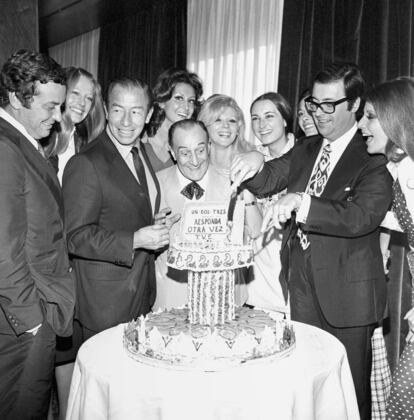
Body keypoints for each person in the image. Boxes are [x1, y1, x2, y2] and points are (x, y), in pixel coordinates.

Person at [230, 62, 393, 419]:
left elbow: (362, 217)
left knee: (348, 393)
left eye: (329, 105)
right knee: (308, 389)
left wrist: (304, 204)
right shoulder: (306, 148)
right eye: (314, 104)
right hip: (300, 286)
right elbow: (270, 178)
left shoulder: (374, 154)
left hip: (347, 296)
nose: (319, 114)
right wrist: (256, 161)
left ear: (354, 104)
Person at [62, 77, 178, 357]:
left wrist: (155, 224)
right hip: (106, 304)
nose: (126, 121)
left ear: (149, 114)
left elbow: (125, 211)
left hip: (140, 292)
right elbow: (75, 237)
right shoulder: (86, 162)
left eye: (136, 111)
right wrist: (136, 239)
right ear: (105, 108)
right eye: (118, 110)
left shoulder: (140, 153)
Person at [0, 49, 75, 419]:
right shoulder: (4, 147)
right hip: (20, 325)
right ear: (15, 99)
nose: (57, 117)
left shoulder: (21, 143)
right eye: (49, 107)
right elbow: (3, 251)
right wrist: (32, 322)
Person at [154, 118, 259, 310]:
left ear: (209, 146)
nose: (194, 161)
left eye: (200, 150)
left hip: (226, 300)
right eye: (185, 153)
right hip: (172, 301)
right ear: (172, 152)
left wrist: (249, 194)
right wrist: (155, 230)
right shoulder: (154, 185)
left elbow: (255, 231)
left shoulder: (233, 180)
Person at [358, 77, 414, 419]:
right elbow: (395, 222)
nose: (362, 125)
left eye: (370, 117)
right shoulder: (399, 167)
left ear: (395, 118)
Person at [245, 92, 294, 315]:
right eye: (255, 118)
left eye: (269, 116)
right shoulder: (251, 159)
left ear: (285, 119)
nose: (261, 124)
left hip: (292, 266)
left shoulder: (304, 154)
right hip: (260, 268)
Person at [43, 66, 105, 184]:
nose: (82, 103)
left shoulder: (84, 143)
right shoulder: (43, 136)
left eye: (89, 98)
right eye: (76, 93)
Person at [142, 67, 203, 172]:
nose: (186, 107)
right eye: (179, 98)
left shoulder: (190, 147)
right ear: (162, 102)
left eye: (191, 101)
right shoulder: (139, 140)